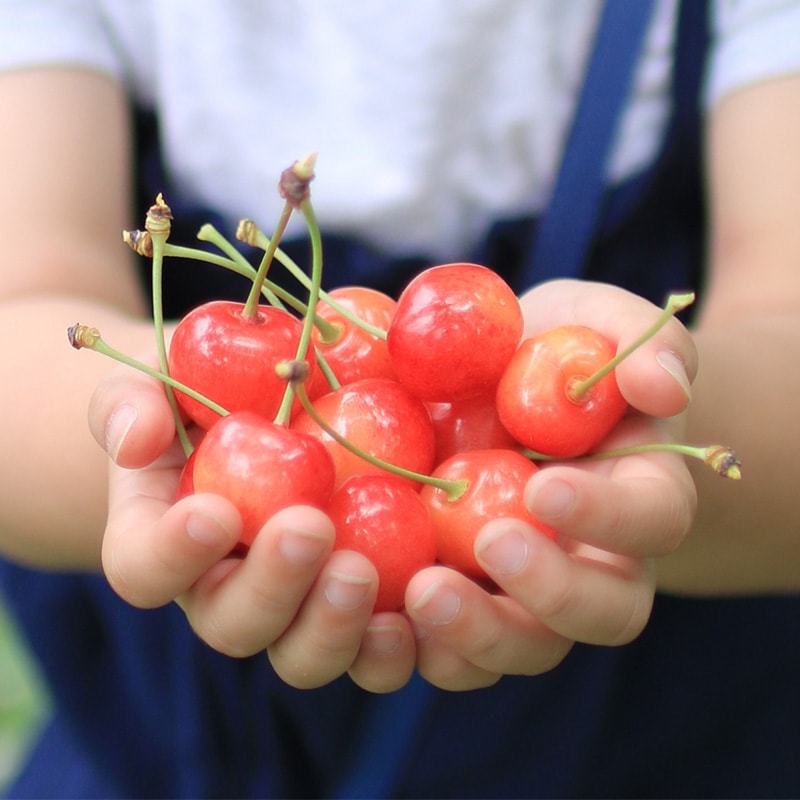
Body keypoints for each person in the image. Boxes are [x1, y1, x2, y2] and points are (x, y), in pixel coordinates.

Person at [1, 0, 799, 796]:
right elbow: (24, 308)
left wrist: (649, 445)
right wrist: (161, 447)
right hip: (165, 747)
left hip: (659, 737)